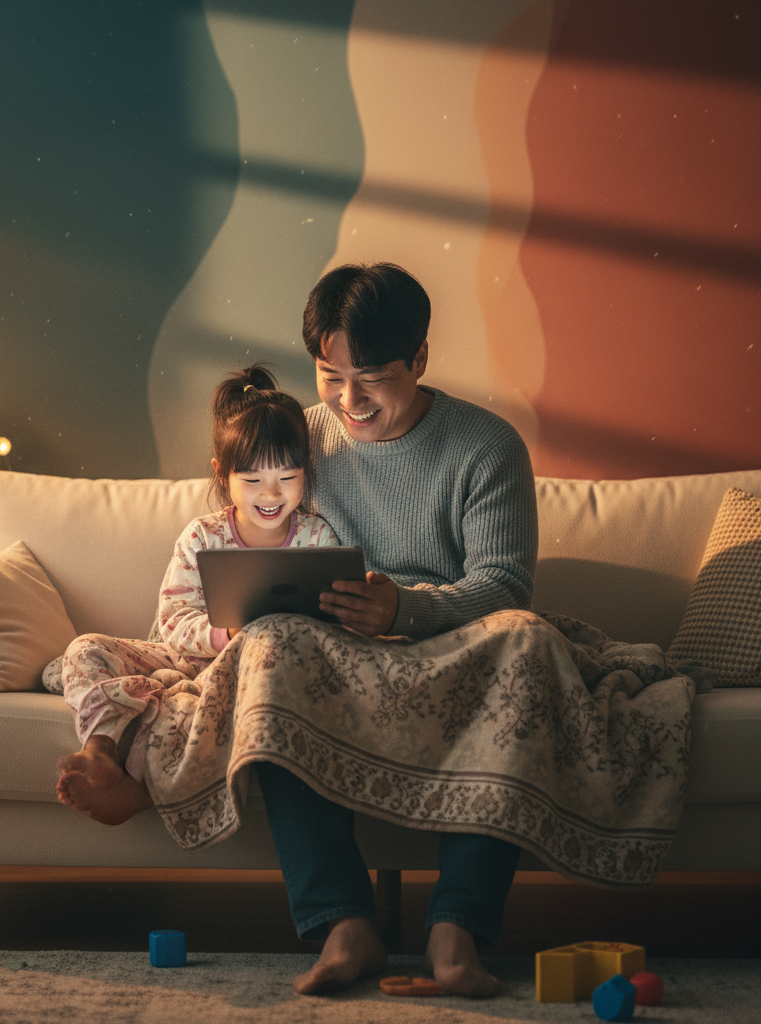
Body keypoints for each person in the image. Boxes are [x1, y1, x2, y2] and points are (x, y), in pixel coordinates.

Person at [251, 261, 538, 998]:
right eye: (328, 375)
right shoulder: (295, 441)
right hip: (332, 655)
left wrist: (403, 609)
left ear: (419, 360)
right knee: (272, 650)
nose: (349, 400)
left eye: (372, 376)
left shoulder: (486, 445)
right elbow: (241, 537)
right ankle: (342, 925)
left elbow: (504, 584)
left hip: (452, 650)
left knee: (529, 644)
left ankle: (456, 932)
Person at [51, 363, 339, 825]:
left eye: (287, 478)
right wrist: (223, 633)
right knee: (84, 649)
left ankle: (138, 788)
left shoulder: (318, 538)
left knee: (190, 701)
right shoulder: (202, 537)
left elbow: (329, 627)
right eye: (252, 480)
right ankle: (101, 752)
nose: (271, 493)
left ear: (305, 472)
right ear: (222, 474)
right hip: (184, 655)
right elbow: (174, 619)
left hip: (245, 675)